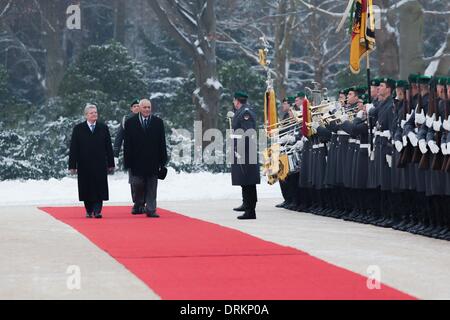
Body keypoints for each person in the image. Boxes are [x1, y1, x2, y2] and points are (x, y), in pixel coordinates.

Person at [123, 98, 168, 218]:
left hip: (153, 160)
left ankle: (151, 209)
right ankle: (139, 203)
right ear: (139, 108)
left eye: (149, 107)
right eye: (145, 107)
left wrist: (163, 160)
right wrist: (127, 161)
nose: (147, 109)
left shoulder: (158, 122)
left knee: (152, 186)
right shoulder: (130, 123)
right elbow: (127, 144)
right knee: (138, 184)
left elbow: (162, 142)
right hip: (136, 161)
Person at [69, 104, 115, 219]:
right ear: (86, 115)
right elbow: (73, 148)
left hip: (99, 163)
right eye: (91, 113)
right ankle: (89, 210)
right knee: (86, 187)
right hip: (84, 164)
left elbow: (108, 146)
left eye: (95, 112)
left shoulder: (103, 128)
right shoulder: (78, 129)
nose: (94, 114)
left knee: (99, 186)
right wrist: (72, 165)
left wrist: (111, 163)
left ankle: (98, 210)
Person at [230, 91, 260, 220]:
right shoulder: (241, 111)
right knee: (244, 179)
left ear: (237, 100)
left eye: (234, 100)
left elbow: (247, 133)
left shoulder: (245, 112)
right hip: (243, 150)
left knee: (248, 181)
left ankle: (250, 210)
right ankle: (246, 204)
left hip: (247, 151)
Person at [113, 99, 142, 214]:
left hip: (145, 155)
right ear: (131, 108)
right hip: (131, 155)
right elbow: (119, 137)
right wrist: (115, 154)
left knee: (145, 179)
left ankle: (143, 203)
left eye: (138, 106)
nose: (136, 108)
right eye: (134, 106)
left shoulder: (146, 119)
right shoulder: (126, 120)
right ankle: (136, 202)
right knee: (134, 180)